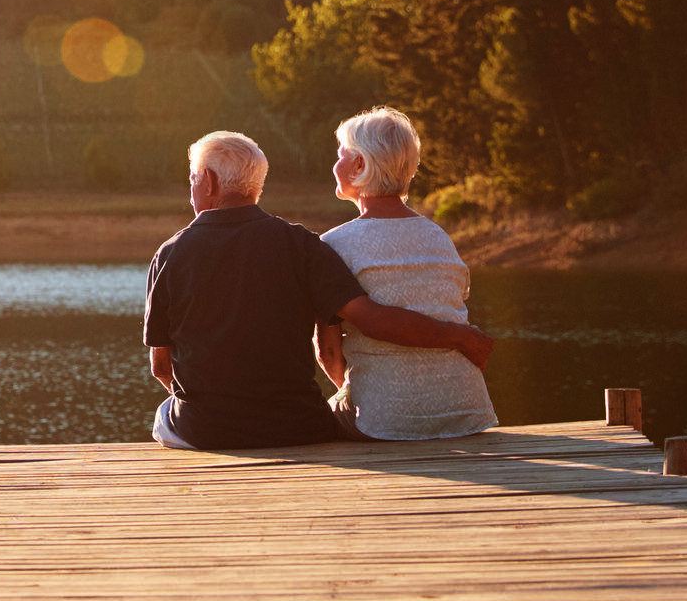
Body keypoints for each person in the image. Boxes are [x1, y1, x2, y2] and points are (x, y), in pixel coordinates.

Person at [145, 130, 492, 450]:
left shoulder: (169, 255)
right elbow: (364, 322)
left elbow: (161, 367)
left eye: (192, 178)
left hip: (206, 430)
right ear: (256, 185)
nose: (191, 188)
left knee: (164, 414)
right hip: (298, 426)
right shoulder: (304, 245)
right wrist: (459, 336)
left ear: (207, 182)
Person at [317, 107, 498, 440]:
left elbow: (328, 354)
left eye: (341, 156)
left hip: (386, 421)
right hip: (466, 412)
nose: (335, 165)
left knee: (324, 415)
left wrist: (353, 392)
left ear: (360, 165)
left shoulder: (333, 245)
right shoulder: (438, 236)